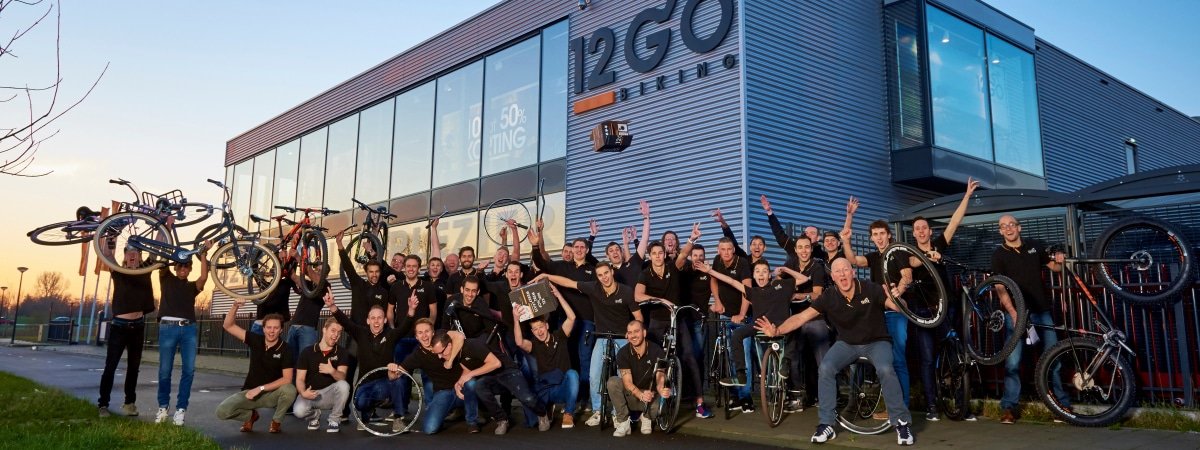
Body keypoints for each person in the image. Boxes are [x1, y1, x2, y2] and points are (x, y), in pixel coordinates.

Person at [756, 258, 915, 446]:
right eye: (837, 272)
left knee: (886, 369)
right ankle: (826, 424)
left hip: (876, 342)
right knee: (826, 368)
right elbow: (801, 317)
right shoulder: (829, 296)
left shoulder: (871, 288)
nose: (842, 274)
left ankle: (901, 423)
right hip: (847, 344)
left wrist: (897, 298)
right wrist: (777, 331)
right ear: (833, 277)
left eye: (845, 270)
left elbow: (899, 308)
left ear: (852, 272)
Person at [537, 263, 642, 426]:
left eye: (606, 273)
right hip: (601, 337)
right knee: (594, 374)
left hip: (622, 337)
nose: (604, 277)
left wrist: (632, 334)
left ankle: (619, 413)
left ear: (612, 272)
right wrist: (547, 276)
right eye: (600, 275)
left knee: (622, 377)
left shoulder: (626, 291)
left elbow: (639, 318)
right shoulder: (594, 288)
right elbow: (569, 283)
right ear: (597, 277)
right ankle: (598, 410)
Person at [699, 259, 811, 412]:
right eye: (757, 271)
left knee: (794, 327)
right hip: (759, 325)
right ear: (753, 275)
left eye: (764, 271)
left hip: (780, 325)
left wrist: (785, 269)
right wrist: (710, 271)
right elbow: (731, 281)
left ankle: (785, 362)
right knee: (737, 334)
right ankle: (741, 375)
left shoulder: (781, 285)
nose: (761, 274)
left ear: (769, 275)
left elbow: (804, 279)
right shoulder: (752, 292)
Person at [909, 177, 978, 421]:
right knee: (928, 359)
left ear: (929, 231)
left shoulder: (939, 244)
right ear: (914, 233)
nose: (921, 231)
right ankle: (931, 406)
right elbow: (913, 262)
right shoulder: (909, 251)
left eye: (924, 228)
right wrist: (929, 255)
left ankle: (962, 405)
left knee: (955, 354)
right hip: (924, 311)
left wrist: (966, 196)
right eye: (917, 229)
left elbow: (955, 222)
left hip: (946, 307)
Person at [991, 214, 1070, 425]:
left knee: (1053, 358)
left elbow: (1055, 267)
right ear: (1000, 231)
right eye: (1003, 226)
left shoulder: (1035, 246)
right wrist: (1012, 312)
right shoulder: (998, 255)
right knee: (1013, 362)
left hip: (1041, 311)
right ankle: (1009, 408)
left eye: (1011, 224)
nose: (1008, 228)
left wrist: (1060, 260)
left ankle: (1060, 406)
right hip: (1016, 314)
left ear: (1019, 227)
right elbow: (1000, 287)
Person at [841, 197, 914, 408]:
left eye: (882, 233)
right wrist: (848, 225)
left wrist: (898, 292)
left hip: (895, 313)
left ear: (889, 234)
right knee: (882, 361)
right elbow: (852, 260)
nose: (879, 238)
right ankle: (890, 405)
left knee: (897, 360)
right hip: (877, 315)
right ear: (872, 237)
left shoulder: (897, 251)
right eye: (875, 234)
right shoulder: (874, 257)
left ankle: (902, 407)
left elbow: (907, 275)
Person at [634, 225, 711, 419]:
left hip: (678, 320)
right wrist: (660, 300)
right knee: (653, 359)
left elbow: (684, 254)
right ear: (650, 256)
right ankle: (644, 403)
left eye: (660, 253)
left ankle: (699, 403)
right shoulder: (646, 273)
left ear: (664, 254)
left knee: (690, 357)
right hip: (657, 321)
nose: (658, 256)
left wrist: (692, 239)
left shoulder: (672, 267)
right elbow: (637, 295)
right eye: (654, 253)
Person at [327, 290, 415, 431]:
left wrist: (411, 310)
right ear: (368, 321)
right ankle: (366, 416)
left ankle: (398, 418)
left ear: (385, 320)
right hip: (365, 384)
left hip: (385, 384)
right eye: (373, 318)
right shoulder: (361, 333)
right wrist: (332, 306)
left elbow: (405, 328)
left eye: (379, 318)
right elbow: (346, 322)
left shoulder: (390, 335)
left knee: (399, 380)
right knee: (360, 403)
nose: (376, 321)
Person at [96, 239, 157, 417]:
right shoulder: (118, 272)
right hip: (119, 327)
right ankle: (103, 405)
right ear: (124, 258)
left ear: (139, 257)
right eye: (129, 253)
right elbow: (107, 254)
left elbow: (156, 248)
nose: (132, 255)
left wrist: (165, 227)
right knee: (110, 367)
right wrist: (107, 233)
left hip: (137, 327)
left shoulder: (145, 270)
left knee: (133, 368)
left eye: (135, 253)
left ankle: (129, 403)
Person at [216, 302, 297, 433]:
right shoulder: (255, 339)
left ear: (281, 330)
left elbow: (287, 379)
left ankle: (276, 421)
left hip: (272, 394)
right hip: (250, 393)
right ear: (263, 329)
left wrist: (261, 388)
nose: (272, 331)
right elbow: (228, 326)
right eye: (268, 327)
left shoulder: (286, 349)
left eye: (276, 328)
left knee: (290, 389)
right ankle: (251, 416)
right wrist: (235, 306)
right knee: (222, 412)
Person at [154, 243, 210, 426]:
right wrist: (168, 234)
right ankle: (163, 407)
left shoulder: (192, 287)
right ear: (175, 266)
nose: (183, 269)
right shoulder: (166, 278)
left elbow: (204, 276)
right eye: (180, 265)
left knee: (189, 370)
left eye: (186, 266)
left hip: (188, 330)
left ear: (190, 268)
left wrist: (203, 253)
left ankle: (180, 410)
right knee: (165, 370)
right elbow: (163, 260)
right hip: (167, 328)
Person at [512, 285, 579, 428]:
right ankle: (547, 407)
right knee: (532, 399)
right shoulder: (534, 345)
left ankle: (568, 413)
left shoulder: (560, 336)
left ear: (547, 326)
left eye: (541, 327)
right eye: (535, 329)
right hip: (548, 389)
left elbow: (572, 317)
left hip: (563, 387)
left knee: (573, 374)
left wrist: (559, 296)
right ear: (532, 332)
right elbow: (519, 342)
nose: (539, 331)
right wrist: (516, 320)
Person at [391, 328, 481, 434]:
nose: (424, 336)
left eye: (427, 331)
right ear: (417, 337)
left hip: (462, 387)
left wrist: (450, 361)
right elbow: (395, 375)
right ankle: (446, 412)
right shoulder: (418, 354)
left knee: (471, 383)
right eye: (420, 332)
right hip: (444, 392)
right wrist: (392, 368)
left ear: (433, 332)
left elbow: (460, 336)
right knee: (430, 429)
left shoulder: (444, 337)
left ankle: (472, 422)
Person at [780, 235, 830, 412]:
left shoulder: (817, 267)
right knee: (793, 359)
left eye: (807, 247)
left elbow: (817, 294)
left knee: (822, 362)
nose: (804, 251)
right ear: (795, 250)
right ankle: (797, 397)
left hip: (814, 318)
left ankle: (828, 399)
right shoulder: (790, 265)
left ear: (811, 248)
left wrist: (798, 295)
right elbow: (779, 284)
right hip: (795, 319)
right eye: (800, 247)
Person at [707, 236, 753, 411]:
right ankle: (735, 395)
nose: (726, 252)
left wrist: (741, 314)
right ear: (718, 250)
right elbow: (713, 279)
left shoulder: (742, 263)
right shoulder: (717, 260)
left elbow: (747, 289)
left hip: (742, 316)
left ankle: (746, 397)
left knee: (744, 357)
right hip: (725, 315)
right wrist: (717, 301)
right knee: (730, 356)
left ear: (734, 250)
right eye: (723, 249)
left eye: (729, 249)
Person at [606, 320, 670, 437]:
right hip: (632, 395)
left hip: (650, 396)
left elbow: (660, 375)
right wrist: (640, 395)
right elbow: (627, 382)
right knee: (613, 382)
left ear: (644, 333)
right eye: (630, 332)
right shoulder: (623, 353)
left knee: (661, 405)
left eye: (636, 331)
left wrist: (661, 389)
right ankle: (623, 422)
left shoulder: (656, 350)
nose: (633, 335)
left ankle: (646, 417)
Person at [293, 317, 350, 433]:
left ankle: (334, 420)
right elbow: (299, 379)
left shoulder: (342, 352)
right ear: (324, 330)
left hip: (329, 396)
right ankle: (314, 416)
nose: (336, 335)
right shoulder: (307, 352)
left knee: (344, 386)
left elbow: (342, 377)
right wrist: (303, 392)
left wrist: (332, 371)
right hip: (311, 394)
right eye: (333, 330)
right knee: (298, 411)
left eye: (339, 332)